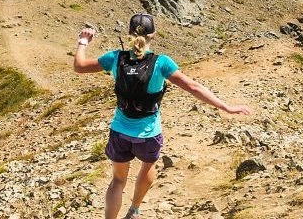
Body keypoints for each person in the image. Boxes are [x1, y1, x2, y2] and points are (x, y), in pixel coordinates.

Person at [73, 12, 252, 219]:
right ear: (154, 35)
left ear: (129, 33)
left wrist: (83, 42)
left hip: (120, 131)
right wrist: (226, 107)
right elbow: (193, 87)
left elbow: (79, 66)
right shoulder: (162, 63)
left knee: (118, 181)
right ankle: (134, 210)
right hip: (148, 133)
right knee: (148, 166)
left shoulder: (115, 58)